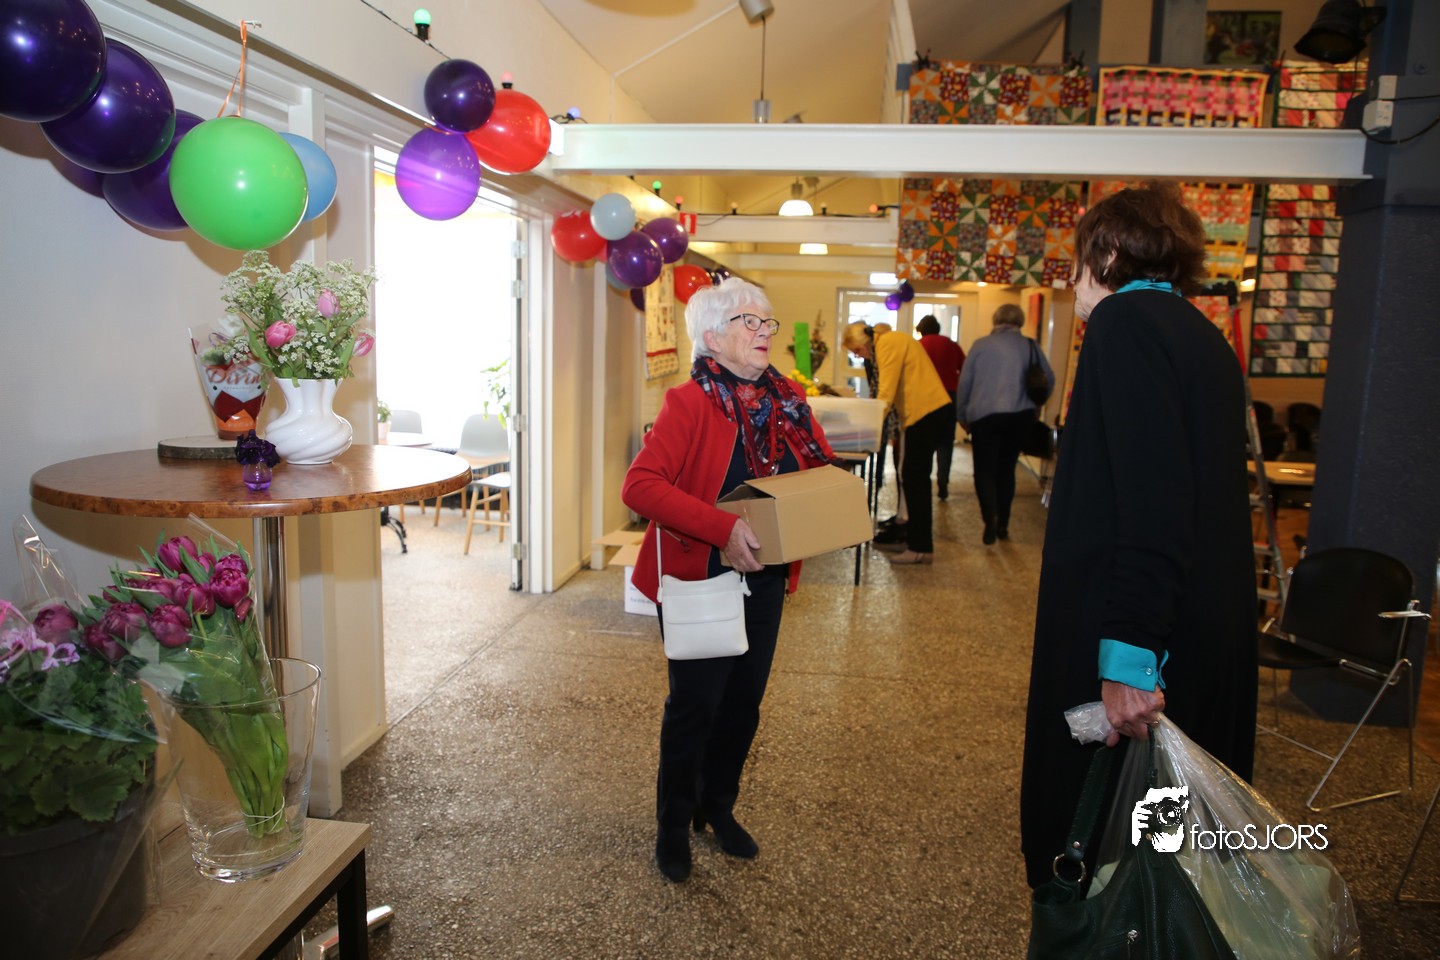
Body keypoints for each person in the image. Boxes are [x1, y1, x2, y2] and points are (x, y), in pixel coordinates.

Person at [1019, 183, 1258, 890]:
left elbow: (1153, 504)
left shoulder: (1124, 324)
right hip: (1198, 622)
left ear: (1112, 252)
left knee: (1105, 848)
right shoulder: (1200, 334)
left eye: (1078, 261)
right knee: (1168, 849)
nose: (1072, 280)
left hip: (1147, 636)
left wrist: (1129, 659)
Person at [622, 277, 838, 883]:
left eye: (768, 322)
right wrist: (722, 529)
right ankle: (673, 823)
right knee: (696, 706)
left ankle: (716, 807)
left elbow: (817, 469)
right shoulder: (689, 403)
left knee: (743, 705)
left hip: (766, 576)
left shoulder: (788, 401)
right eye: (751, 321)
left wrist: (830, 500)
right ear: (713, 337)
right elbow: (640, 486)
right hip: (701, 576)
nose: (765, 331)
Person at [842, 321, 952, 565]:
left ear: (863, 342)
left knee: (915, 480)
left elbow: (885, 394)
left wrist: (865, 430)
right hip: (924, 413)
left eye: (857, 351)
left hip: (926, 413)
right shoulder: (888, 341)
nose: (859, 357)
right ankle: (913, 539)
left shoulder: (887, 344)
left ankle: (920, 547)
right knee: (912, 478)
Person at [955, 305, 1054, 544]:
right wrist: (1036, 405)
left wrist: (962, 414)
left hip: (985, 417)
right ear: (1019, 321)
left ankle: (990, 518)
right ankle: (1003, 525)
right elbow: (1049, 378)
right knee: (1006, 469)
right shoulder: (1030, 345)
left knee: (984, 469)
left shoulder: (981, 345)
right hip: (1020, 416)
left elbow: (965, 382)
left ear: (995, 319)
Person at [916, 315, 965, 500]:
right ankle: (943, 480)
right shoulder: (952, 345)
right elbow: (964, 368)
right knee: (946, 442)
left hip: (926, 397)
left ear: (921, 330)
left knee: (926, 441)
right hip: (949, 397)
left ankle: (925, 480)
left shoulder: (919, 345)